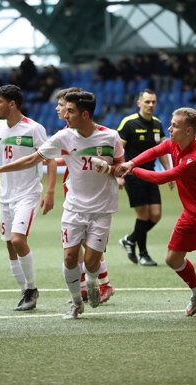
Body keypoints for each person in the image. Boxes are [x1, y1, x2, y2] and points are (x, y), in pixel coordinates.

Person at [0, 91, 124, 319]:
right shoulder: (63, 137)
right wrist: (0, 168)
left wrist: (112, 171)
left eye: (70, 111)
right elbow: (33, 158)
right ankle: (77, 302)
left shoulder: (111, 137)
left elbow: (120, 166)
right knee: (69, 257)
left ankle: (94, 282)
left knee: (91, 261)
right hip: (74, 207)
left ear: (85, 114)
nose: (65, 115)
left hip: (102, 209)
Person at [116, 107, 196, 323]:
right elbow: (155, 151)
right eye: (171, 123)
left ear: (189, 131)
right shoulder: (175, 142)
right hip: (192, 211)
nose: (169, 128)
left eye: (175, 126)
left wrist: (131, 170)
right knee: (173, 259)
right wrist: (132, 162)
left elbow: (164, 177)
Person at [0, 84, 56, 311]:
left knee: (18, 239)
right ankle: (25, 292)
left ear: (12, 104)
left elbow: (49, 160)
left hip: (27, 194)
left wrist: (50, 191)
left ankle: (31, 289)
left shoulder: (34, 129)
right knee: (10, 245)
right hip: (5, 196)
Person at [54, 87, 114, 304]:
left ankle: (102, 284)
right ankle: (85, 288)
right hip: (73, 189)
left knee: (90, 248)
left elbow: (115, 160)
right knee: (75, 246)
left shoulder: (85, 130)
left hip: (92, 194)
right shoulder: (67, 131)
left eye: (62, 105)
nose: (59, 109)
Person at [117, 89, 173, 266]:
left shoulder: (157, 124)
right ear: (139, 103)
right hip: (132, 175)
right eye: (147, 102)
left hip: (151, 175)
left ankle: (130, 239)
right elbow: (118, 150)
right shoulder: (128, 123)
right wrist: (118, 174)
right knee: (143, 215)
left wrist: (169, 172)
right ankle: (143, 254)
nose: (151, 105)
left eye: (153, 102)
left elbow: (162, 150)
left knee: (155, 215)